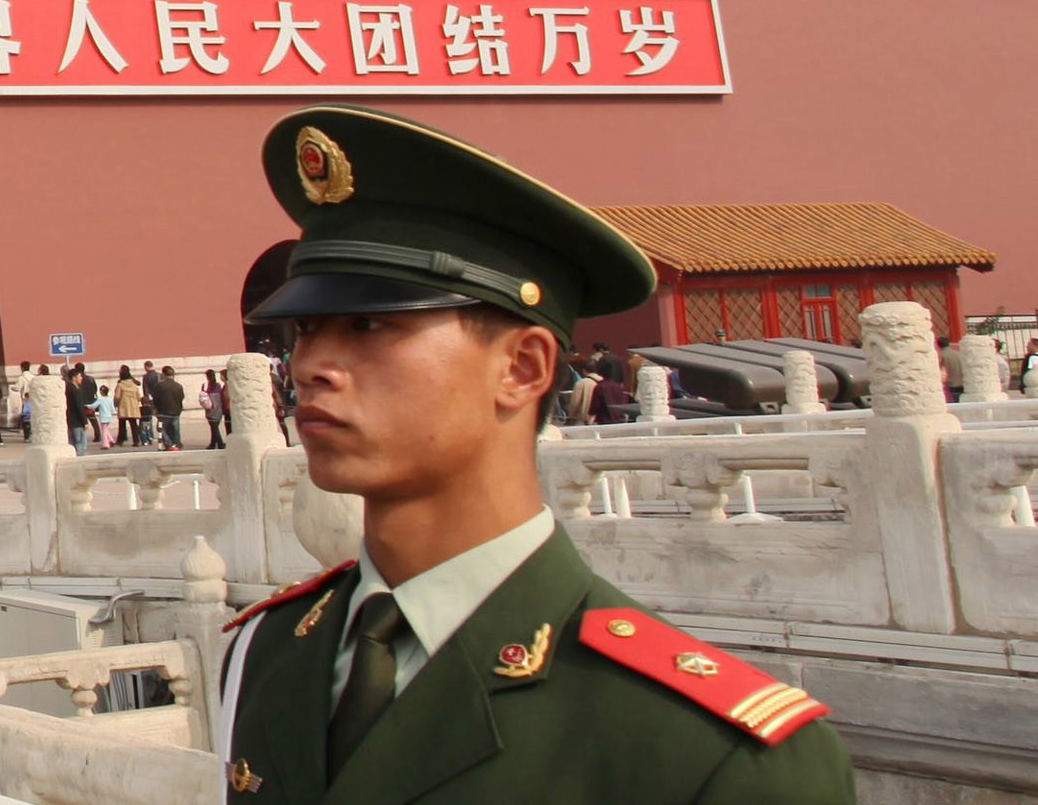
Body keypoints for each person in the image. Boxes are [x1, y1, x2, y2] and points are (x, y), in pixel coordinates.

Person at [217, 104, 852, 804]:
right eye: (305, 329)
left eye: (370, 325)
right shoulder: (273, 654)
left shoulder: (703, 751)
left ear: (522, 367)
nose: (311, 366)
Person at [150, 366, 185, 451]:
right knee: (175, 430)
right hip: (176, 411)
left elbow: (155, 398)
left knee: (161, 429)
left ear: (163, 374)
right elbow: (181, 397)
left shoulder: (159, 386)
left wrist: (155, 409)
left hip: (163, 411)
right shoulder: (179, 386)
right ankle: (176, 444)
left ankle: (169, 444)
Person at [112, 365, 143, 447]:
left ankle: (120, 440)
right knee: (134, 425)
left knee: (122, 425)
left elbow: (117, 397)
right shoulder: (134, 385)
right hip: (133, 407)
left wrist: (115, 404)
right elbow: (138, 397)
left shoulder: (120, 385)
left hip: (123, 407)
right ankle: (136, 441)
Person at [65, 365, 92, 455]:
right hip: (77, 422)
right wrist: (85, 421)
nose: (81, 378)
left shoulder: (69, 388)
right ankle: (80, 459)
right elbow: (79, 406)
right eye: (79, 376)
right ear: (74, 378)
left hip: (71, 421)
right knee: (80, 443)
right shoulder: (75, 390)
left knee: (73, 442)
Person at [200, 369, 227, 450]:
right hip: (219, 408)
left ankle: (220, 443)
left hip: (210, 409)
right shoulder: (218, 385)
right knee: (214, 427)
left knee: (214, 428)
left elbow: (203, 396)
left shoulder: (205, 385)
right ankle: (212, 444)